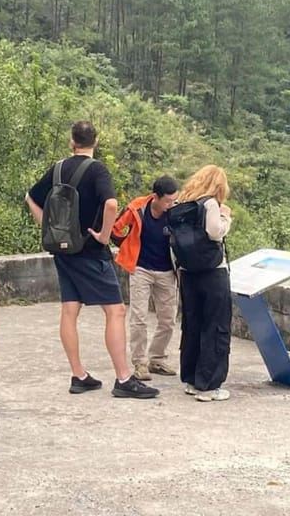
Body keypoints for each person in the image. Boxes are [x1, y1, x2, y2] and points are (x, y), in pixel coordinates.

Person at [25, 121, 159, 400]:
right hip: (89, 251)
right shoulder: (97, 170)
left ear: (71, 141)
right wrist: (104, 235)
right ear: (95, 142)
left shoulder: (59, 168)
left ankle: (79, 375)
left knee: (69, 310)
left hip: (63, 250)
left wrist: (47, 229)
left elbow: (31, 197)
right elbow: (111, 204)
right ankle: (124, 378)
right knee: (115, 311)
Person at [111, 176, 180, 381]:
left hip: (168, 271)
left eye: (174, 200)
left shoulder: (176, 213)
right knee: (139, 318)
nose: (171, 205)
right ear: (155, 197)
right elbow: (116, 229)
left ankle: (157, 358)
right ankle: (140, 362)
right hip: (141, 268)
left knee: (168, 319)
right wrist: (127, 245)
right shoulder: (137, 208)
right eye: (168, 201)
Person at [175, 165, 233, 402]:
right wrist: (225, 216)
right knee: (215, 326)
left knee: (192, 325)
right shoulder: (209, 204)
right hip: (212, 273)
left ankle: (191, 378)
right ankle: (209, 385)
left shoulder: (182, 204)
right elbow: (215, 232)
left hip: (188, 273)